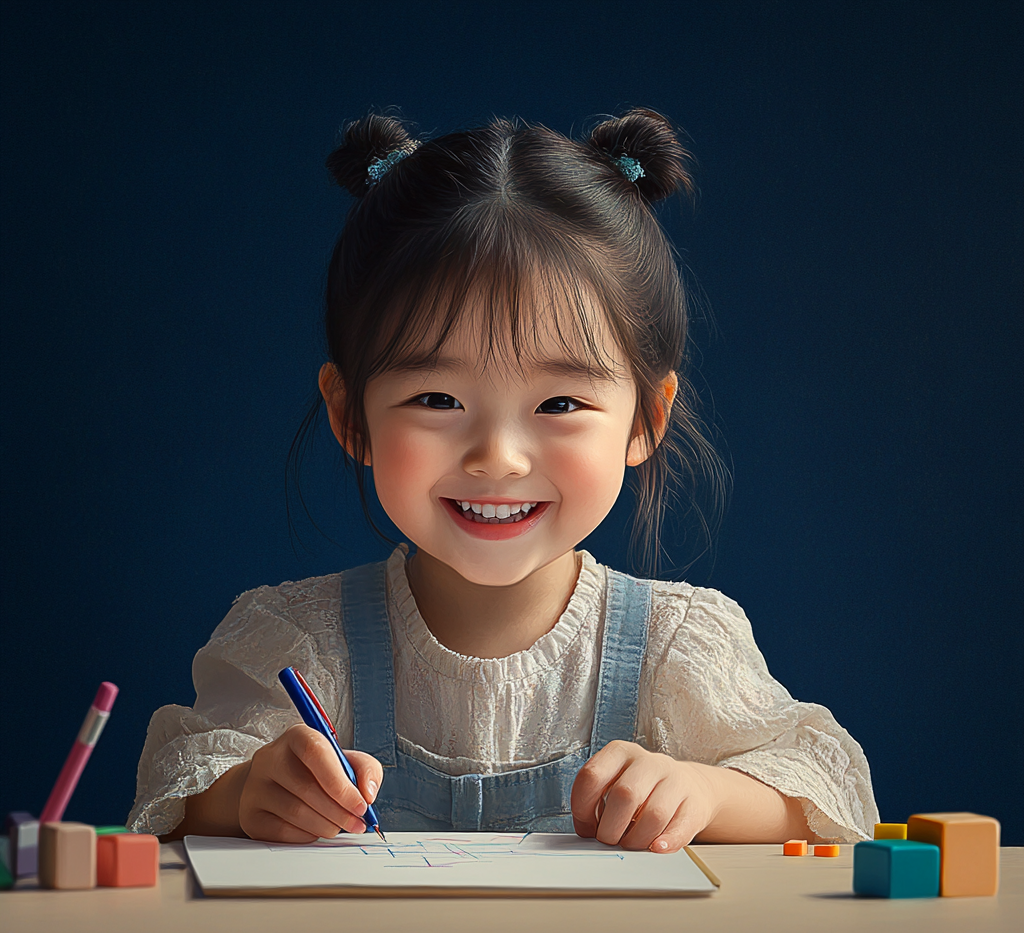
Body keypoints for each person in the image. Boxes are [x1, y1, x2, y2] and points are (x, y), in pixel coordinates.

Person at [128, 109, 878, 852]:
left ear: (646, 419)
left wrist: (708, 793)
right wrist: (252, 790)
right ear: (350, 415)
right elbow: (174, 786)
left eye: (559, 403)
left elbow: (829, 788)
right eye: (437, 400)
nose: (497, 457)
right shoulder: (300, 642)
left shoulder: (676, 646)